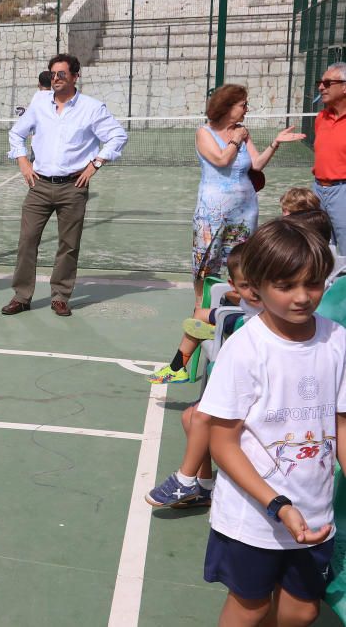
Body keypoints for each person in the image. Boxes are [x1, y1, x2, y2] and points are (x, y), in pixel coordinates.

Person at [198, 217, 346, 626]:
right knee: (252, 606)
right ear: (256, 286)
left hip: (315, 509)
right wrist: (276, 504)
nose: (302, 297)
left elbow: (342, 424)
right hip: (255, 515)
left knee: (301, 611)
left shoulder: (337, 340)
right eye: (286, 286)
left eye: (313, 283)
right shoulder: (246, 349)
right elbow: (222, 443)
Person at [3, 53, 128, 317]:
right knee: (27, 241)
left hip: (73, 187)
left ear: (75, 76)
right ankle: (21, 296)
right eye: (52, 74)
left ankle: (60, 296)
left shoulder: (92, 108)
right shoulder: (39, 103)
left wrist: (96, 163)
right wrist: (23, 162)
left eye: (62, 74)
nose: (56, 78)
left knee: (68, 245)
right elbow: (16, 133)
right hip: (38, 185)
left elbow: (117, 135)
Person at [189, 84, 305, 308]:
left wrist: (275, 143)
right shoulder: (204, 133)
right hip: (212, 211)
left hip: (245, 210)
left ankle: (240, 306)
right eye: (243, 105)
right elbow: (221, 161)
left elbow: (257, 164)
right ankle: (201, 307)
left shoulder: (243, 130)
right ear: (227, 107)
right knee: (205, 262)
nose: (246, 109)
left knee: (242, 261)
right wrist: (236, 138)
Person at [148, 241, 260, 386]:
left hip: (243, 323)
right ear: (233, 284)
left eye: (256, 284)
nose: (252, 291)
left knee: (200, 318)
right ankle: (178, 366)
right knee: (199, 314)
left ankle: (178, 366)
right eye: (245, 285)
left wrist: (234, 292)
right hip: (241, 316)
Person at [313, 62, 346, 249]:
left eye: (327, 83)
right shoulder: (321, 118)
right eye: (320, 82)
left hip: (343, 190)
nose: (320, 87)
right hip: (318, 189)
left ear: (344, 87)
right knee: (320, 247)